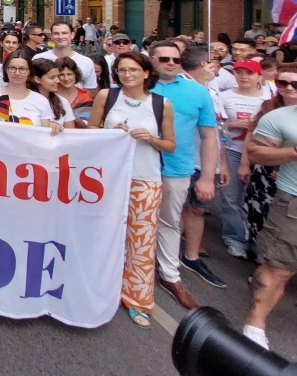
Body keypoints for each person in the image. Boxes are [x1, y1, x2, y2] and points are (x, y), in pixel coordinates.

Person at [88, 51, 176, 328]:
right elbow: (90, 130)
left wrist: (151, 138)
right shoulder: (106, 97)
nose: (127, 75)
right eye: (122, 70)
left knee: (141, 243)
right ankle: (98, 290)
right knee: (102, 236)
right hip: (108, 179)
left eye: (133, 70)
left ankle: (137, 299)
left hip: (145, 180)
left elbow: (170, 145)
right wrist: (111, 133)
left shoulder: (161, 104)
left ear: (146, 73)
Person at [151, 41, 219, 311]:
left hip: (177, 168)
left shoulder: (198, 92)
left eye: (175, 59)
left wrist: (207, 177)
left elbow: (209, 137)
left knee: (169, 221)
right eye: (164, 58)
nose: (170, 63)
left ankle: (170, 275)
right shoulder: (136, 86)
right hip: (137, 167)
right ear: (152, 59)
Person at [242, 81, 297, 350]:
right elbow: (255, 152)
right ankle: (254, 325)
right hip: (293, 202)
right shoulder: (281, 117)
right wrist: (293, 152)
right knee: (279, 269)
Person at [216, 58, 267, 259]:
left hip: (260, 154)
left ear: (259, 76)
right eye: (239, 72)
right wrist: (233, 125)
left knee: (256, 199)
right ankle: (234, 238)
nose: (244, 77)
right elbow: (215, 125)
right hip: (232, 150)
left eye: (249, 73)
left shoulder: (269, 98)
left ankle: (255, 239)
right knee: (231, 197)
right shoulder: (224, 97)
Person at [0, 52, 66, 134]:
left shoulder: (41, 101)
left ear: (29, 71)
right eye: (12, 68)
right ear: (6, 69)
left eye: (22, 69)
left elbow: (44, 135)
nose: (17, 73)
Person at [34, 22, 99, 93]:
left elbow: (89, 90)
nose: (60, 37)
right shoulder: (39, 58)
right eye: (56, 33)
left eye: (64, 33)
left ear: (72, 35)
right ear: (51, 36)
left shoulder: (86, 62)